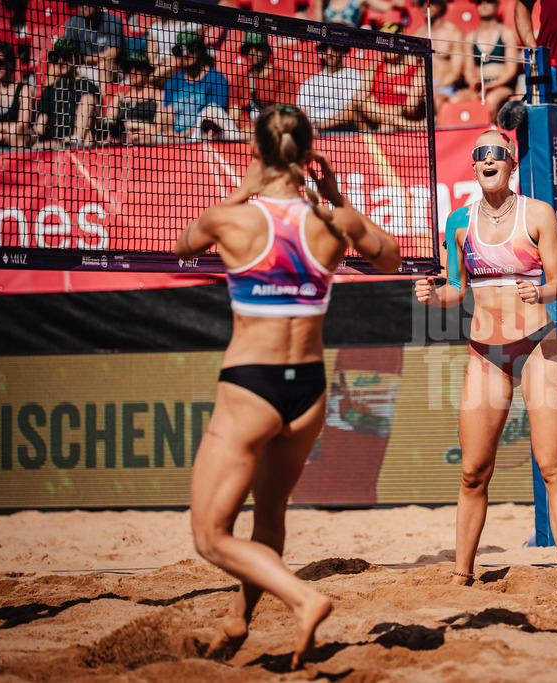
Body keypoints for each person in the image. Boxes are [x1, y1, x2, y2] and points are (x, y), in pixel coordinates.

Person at [173, 104, 400, 669]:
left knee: (210, 535)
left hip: (253, 387)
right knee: (269, 514)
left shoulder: (234, 222)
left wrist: (243, 187)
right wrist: (337, 195)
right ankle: (238, 619)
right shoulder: (332, 224)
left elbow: (182, 246)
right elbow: (391, 256)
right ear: (308, 153)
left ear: (257, 153)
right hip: (310, 390)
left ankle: (304, 597)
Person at [414, 131, 557, 597]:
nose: (488, 160)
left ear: (510, 164)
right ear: (473, 166)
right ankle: (461, 574)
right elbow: (454, 291)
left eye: (496, 154)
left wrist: (541, 291)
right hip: (485, 350)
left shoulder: (537, 213)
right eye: (480, 155)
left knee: (552, 466)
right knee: (473, 471)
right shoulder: (459, 222)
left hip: (536, 344)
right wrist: (432, 296)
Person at [450, 0, 519, 122]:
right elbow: (468, 70)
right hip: (480, 85)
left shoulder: (507, 34)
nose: (484, 4)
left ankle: (490, 135)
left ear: (497, 5)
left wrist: (491, 85)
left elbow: (511, 70)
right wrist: (474, 82)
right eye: (480, 2)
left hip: (502, 85)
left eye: (489, 1)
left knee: (491, 101)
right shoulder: (470, 37)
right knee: (454, 101)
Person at [162, 30, 235, 140]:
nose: (185, 54)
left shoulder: (216, 80)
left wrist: (183, 135)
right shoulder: (173, 81)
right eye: (180, 50)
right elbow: (166, 113)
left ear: (200, 50)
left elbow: (212, 119)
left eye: (190, 48)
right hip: (174, 141)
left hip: (202, 139)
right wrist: (170, 133)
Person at [355, 23, 426, 131]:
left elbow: (411, 106)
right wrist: (390, 116)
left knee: (386, 127)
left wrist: (390, 113)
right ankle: (413, 126)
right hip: (390, 120)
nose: (389, 46)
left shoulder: (416, 71)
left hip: (402, 119)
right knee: (366, 105)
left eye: (393, 42)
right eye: (386, 43)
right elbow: (359, 100)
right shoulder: (373, 70)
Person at [34, 37, 101, 147]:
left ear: (77, 59)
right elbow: (40, 127)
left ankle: (75, 140)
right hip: (58, 144)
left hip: (83, 145)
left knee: (88, 101)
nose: (60, 61)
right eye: (57, 57)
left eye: (65, 57)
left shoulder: (89, 88)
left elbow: (99, 125)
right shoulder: (49, 91)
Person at [229, 32, 299, 135]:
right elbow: (233, 117)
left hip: (272, 136)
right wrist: (240, 131)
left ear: (266, 49)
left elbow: (283, 117)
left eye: (257, 47)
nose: (252, 52)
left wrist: (256, 132)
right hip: (241, 136)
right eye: (248, 48)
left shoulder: (283, 78)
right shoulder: (239, 79)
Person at [296, 41, 364, 133]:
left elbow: (350, 114)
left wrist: (317, 126)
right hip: (312, 134)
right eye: (324, 48)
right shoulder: (310, 82)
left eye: (334, 47)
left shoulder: (354, 76)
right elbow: (300, 113)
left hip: (342, 132)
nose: (329, 53)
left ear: (343, 49)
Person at [412, 0, 466, 114]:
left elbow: (456, 72)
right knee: (410, 102)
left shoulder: (453, 33)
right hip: (422, 85)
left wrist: (435, 88)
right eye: (421, 3)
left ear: (441, 5)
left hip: (445, 85)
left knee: (437, 100)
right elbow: (410, 68)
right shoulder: (417, 35)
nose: (425, 6)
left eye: (432, 2)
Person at [108, 51, 171, 145]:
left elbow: (159, 128)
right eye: (129, 69)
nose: (132, 72)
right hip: (122, 142)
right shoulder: (119, 97)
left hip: (147, 141)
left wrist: (133, 125)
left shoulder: (157, 95)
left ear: (147, 70)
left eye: (137, 68)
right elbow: (109, 125)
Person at [62, 1, 125, 92]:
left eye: (88, 2)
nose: (84, 6)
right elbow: (69, 52)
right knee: (56, 66)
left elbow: (113, 53)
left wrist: (84, 59)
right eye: (80, 3)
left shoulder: (112, 20)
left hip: (113, 68)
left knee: (103, 65)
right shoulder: (72, 23)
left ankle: (103, 104)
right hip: (82, 66)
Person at [0, 41, 32, 148]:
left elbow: (23, 125)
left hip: (15, 145)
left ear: (10, 63)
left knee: (17, 131)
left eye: (0, 62)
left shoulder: (24, 90)